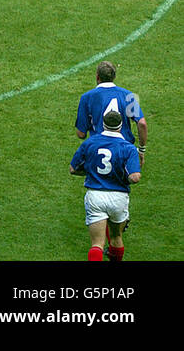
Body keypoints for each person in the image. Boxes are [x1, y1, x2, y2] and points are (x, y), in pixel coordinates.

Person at [70, 109, 141, 261]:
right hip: (118, 197)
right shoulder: (128, 148)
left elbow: (73, 169)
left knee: (97, 244)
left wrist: (91, 172)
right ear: (121, 126)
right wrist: (122, 177)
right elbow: (134, 177)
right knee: (116, 237)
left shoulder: (90, 142)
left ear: (103, 125)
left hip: (95, 195)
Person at [76, 62, 147, 158]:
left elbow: (81, 134)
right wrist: (141, 150)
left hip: (98, 150)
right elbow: (142, 123)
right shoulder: (129, 95)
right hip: (124, 149)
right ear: (114, 77)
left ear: (97, 77)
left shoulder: (87, 97)